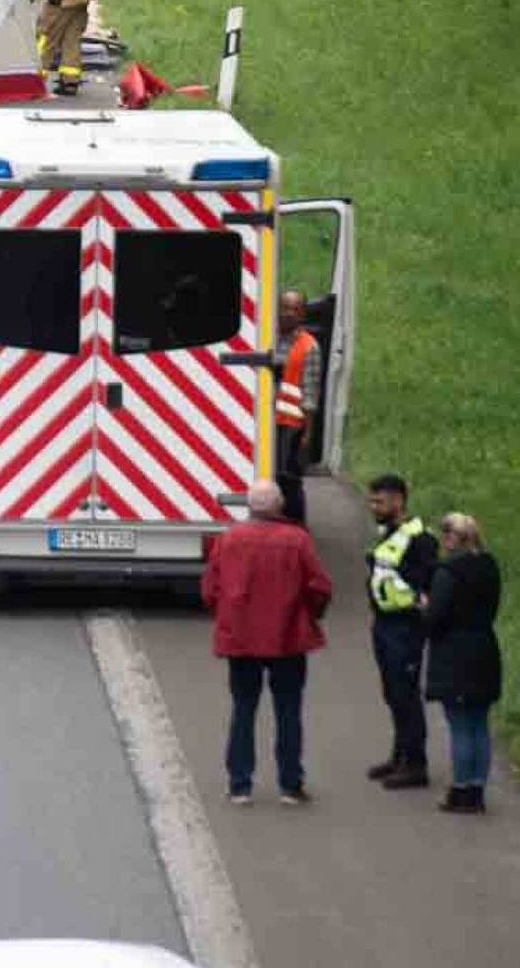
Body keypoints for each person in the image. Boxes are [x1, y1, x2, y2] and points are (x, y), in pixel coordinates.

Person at [203, 481, 331, 806]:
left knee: (243, 709)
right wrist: (309, 614)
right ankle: (290, 785)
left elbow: (210, 589)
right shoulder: (297, 540)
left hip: (242, 638)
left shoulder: (229, 539)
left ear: (250, 507)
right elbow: (318, 587)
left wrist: (227, 615)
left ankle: (239, 785)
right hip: (287, 637)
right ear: (280, 505)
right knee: (288, 710)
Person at [363, 473, 439, 790]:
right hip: (385, 622)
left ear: (398, 501)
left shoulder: (419, 538)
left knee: (405, 694)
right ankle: (400, 755)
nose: (373, 506)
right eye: (371, 500)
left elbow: (426, 583)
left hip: (405, 626)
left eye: (379, 501)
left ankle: (415, 764)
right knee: (392, 692)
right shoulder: (390, 533)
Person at [425, 512, 504, 815]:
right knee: (479, 723)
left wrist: (424, 610)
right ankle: (477, 789)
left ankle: (460, 791)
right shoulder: (489, 567)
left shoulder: (449, 572)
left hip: (455, 652)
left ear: (450, 538)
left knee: (459, 724)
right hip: (484, 647)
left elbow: (437, 616)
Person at [272, 288, 319, 525]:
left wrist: (308, 433)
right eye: (285, 307)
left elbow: (310, 393)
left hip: (291, 424)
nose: (288, 314)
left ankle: (296, 527)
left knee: (288, 478)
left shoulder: (309, 346)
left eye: (295, 309)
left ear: (303, 314)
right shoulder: (265, 337)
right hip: (265, 420)